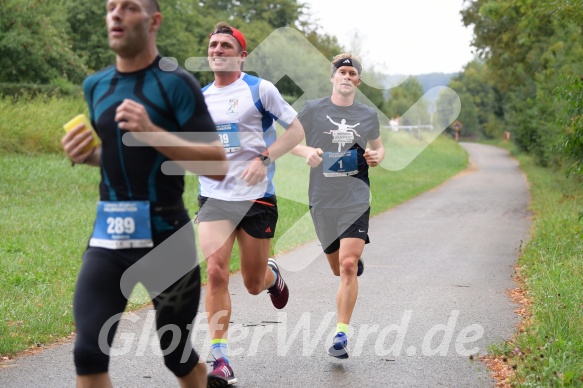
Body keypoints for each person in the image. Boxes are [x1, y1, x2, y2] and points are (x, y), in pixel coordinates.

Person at [61, 1, 227, 387]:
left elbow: (216, 163)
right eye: (110, 7)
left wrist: (151, 130)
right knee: (87, 352)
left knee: (177, 355)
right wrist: (88, 156)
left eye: (128, 7)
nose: (115, 14)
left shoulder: (175, 82)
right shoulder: (96, 85)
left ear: (153, 22)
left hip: (166, 236)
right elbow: (122, 155)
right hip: (109, 234)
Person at [196, 22, 304, 386]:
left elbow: (296, 131)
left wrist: (264, 158)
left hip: (257, 198)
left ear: (242, 55)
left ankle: (272, 276)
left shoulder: (261, 90)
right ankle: (220, 358)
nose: (218, 50)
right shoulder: (200, 97)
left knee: (253, 283)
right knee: (215, 271)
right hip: (214, 196)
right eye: (213, 45)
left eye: (226, 45)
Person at [291, 53, 385, 359]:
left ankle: (341, 333)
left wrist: (376, 156)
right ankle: (348, 261)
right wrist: (306, 151)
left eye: (352, 73)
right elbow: (289, 140)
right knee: (337, 267)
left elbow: (378, 146)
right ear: (333, 77)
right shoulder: (314, 109)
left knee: (347, 266)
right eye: (341, 72)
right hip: (322, 198)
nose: (346, 77)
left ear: (358, 80)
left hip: (355, 197)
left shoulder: (368, 114)